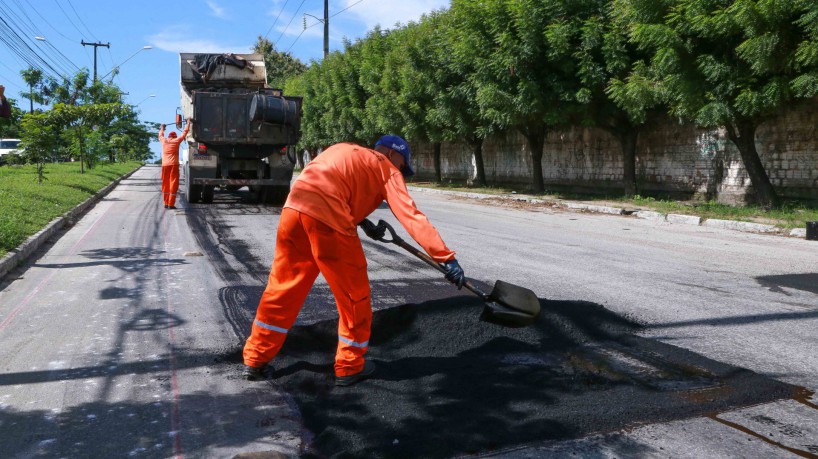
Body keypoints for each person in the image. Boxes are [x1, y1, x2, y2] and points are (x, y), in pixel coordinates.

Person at [242, 134, 466, 386]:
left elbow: (332, 185)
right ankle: (349, 366)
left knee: (282, 288)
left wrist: (362, 221)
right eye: (402, 166)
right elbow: (411, 215)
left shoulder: (343, 149)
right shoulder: (386, 167)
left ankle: (255, 359)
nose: (400, 171)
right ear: (393, 155)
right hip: (328, 220)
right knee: (353, 296)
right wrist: (445, 257)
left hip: (294, 211)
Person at [158, 119, 191, 209]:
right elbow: (184, 133)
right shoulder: (176, 141)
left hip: (165, 165)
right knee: (173, 183)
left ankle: (166, 203)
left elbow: (160, 135)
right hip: (173, 165)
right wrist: (188, 123)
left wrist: (162, 128)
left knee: (165, 183)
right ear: (175, 136)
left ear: (169, 136)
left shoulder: (164, 141)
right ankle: (171, 204)